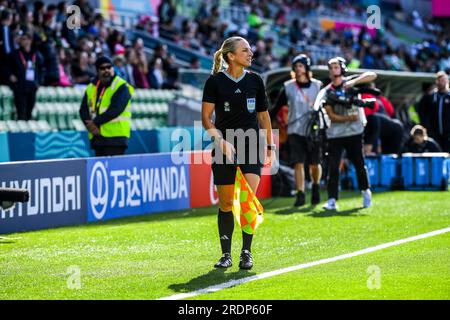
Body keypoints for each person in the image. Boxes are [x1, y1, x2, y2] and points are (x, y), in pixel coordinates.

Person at [201, 36, 274, 270]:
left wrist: (270, 146)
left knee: (247, 201)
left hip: (251, 144)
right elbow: (206, 119)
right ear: (231, 56)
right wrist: (220, 141)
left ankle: (246, 252)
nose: (251, 54)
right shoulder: (214, 82)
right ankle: (225, 255)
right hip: (224, 147)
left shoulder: (256, 80)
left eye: (251, 50)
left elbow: (263, 116)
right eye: (245, 50)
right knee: (225, 203)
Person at [319, 57, 377, 210]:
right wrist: (348, 117)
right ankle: (332, 199)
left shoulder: (351, 83)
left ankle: (365, 191)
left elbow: (373, 75)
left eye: (336, 67)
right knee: (333, 166)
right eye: (330, 68)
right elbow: (330, 114)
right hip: (335, 133)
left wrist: (354, 82)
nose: (333, 70)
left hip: (354, 131)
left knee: (359, 163)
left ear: (342, 68)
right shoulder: (327, 91)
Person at [271, 54, 323, 207]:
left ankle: (315, 186)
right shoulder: (288, 87)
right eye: (295, 66)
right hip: (295, 130)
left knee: (314, 163)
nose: (298, 69)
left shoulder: (318, 86)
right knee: (298, 163)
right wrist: (264, 120)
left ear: (307, 67)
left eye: (300, 65)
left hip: (314, 130)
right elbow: (276, 108)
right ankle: (300, 193)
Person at [79, 56, 134, 156]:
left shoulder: (121, 86)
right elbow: (83, 110)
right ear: (97, 70)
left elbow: (116, 109)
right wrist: (90, 127)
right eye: (102, 68)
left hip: (116, 137)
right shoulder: (91, 87)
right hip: (98, 137)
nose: (106, 70)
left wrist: (94, 123)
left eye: (109, 67)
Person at [8, 29, 44, 121]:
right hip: (20, 87)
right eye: (21, 39)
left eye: (24, 39)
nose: (21, 41)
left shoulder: (36, 55)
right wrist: (10, 75)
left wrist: (39, 82)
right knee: (21, 113)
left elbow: (42, 69)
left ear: (30, 40)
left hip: (32, 87)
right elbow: (6, 68)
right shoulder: (14, 54)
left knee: (29, 113)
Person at [420, 71, 450, 152]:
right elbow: (422, 113)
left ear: (447, 81)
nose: (441, 82)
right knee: (437, 154)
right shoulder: (430, 97)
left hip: (448, 134)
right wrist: (427, 127)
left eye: (444, 80)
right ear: (436, 82)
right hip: (434, 133)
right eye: (440, 80)